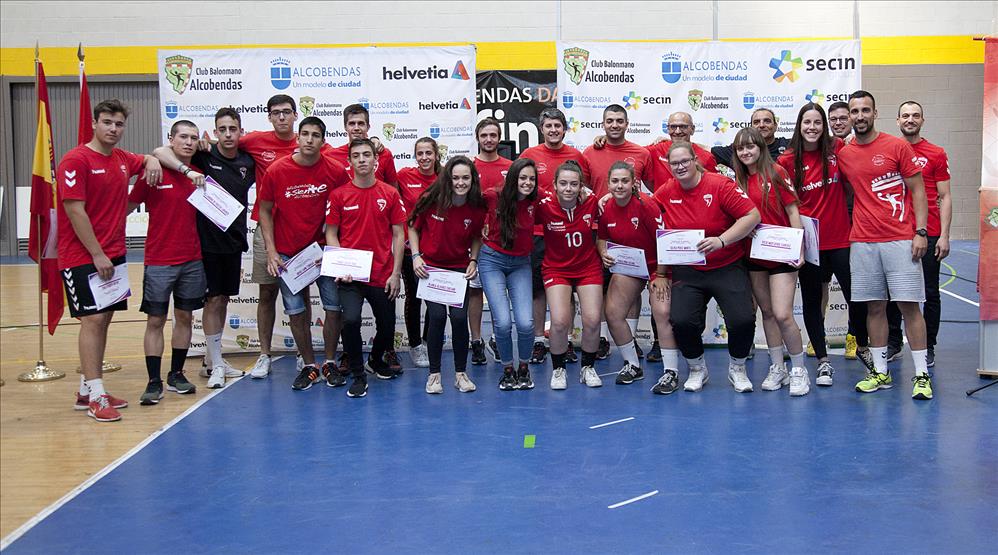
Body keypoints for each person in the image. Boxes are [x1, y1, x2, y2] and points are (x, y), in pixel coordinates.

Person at [57, 98, 162, 422]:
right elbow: (75, 211)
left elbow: (146, 157)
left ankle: (87, 389)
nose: (113, 129)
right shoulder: (75, 161)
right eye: (107, 123)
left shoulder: (120, 159)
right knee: (91, 322)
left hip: (113, 254)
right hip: (82, 256)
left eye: (118, 124)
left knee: (103, 321)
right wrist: (97, 253)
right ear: (94, 123)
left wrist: (152, 161)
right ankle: (96, 396)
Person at [837, 90, 933, 400]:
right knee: (874, 308)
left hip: (901, 239)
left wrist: (921, 232)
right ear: (849, 116)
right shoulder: (845, 154)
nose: (860, 116)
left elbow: (918, 190)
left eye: (866, 110)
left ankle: (921, 375)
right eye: (855, 111)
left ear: (875, 113)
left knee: (909, 308)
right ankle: (880, 372)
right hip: (863, 242)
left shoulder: (897, 146)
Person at [153, 107, 256, 386]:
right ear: (215, 132)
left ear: (240, 131)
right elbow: (160, 152)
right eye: (221, 129)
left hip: (233, 242)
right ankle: (216, 363)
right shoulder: (204, 155)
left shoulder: (248, 161)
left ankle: (212, 362)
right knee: (212, 301)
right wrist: (187, 167)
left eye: (232, 129)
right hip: (206, 244)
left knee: (222, 300)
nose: (227, 134)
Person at [654, 142, 761, 392]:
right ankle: (696, 368)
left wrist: (721, 240)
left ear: (695, 160)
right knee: (681, 321)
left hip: (727, 264)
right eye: (674, 163)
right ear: (669, 166)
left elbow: (752, 216)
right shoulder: (666, 191)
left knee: (742, 319)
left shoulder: (720, 185)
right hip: (688, 270)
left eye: (685, 161)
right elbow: (646, 212)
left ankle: (737, 367)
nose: (680, 167)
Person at [778, 103, 871, 386]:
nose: (812, 127)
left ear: (824, 125)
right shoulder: (786, 161)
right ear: (799, 124)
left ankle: (861, 344)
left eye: (818, 122)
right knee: (812, 302)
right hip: (810, 245)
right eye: (807, 122)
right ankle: (822, 360)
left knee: (857, 296)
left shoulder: (838, 150)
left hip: (841, 239)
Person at [257, 117, 349, 391]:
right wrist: (272, 251)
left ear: (323, 140)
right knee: (296, 313)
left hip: (323, 252)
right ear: (298, 137)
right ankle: (310, 365)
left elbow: (344, 207)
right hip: (288, 255)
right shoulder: (277, 170)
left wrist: (337, 249)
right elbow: (264, 210)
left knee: (333, 309)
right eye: (305, 134)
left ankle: (330, 361)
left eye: (316, 135)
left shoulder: (335, 170)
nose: (310, 139)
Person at [128, 120, 206, 400]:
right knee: (156, 320)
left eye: (194, 138)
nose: (188, 142)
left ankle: (176, 374)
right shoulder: (154, 172)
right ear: (171, 139)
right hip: (159, 260)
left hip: (192, 260)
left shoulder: (199, 175)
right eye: (183, 137)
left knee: (184, 317)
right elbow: (126, 207)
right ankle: (153, 381)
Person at [731, 127, 809, 396]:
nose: (746, 152)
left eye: (750, 146)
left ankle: (799, 369)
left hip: (781, 252)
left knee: (783, 313)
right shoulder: (737, 181)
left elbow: (792, 209)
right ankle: (778, 368)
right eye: (741, 148)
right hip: (753, 254)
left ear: (761, 148)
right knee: (767, 312)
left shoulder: (776, 172)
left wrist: (799, 247)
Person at [326, 138, 407, 398]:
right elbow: (331, 233)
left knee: (386, 325)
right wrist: (339, 264)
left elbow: (398, 235)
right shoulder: (339, 195)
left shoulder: (390, 193)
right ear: (349, 162)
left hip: (382, 273)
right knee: (350, 320)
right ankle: (359, 375)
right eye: (356, 156)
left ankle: (375, 360)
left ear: (375, 160)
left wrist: (396, 274)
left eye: (366, 155)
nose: (362, 159)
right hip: (350, 275)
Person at [239, 95, 310, 379]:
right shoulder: (255, 141)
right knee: (267, 292)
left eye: (286, 112)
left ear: (295, 115)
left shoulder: (308, 141)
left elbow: (345, 154)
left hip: (299, 231)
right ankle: (264, 354)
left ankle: (304, 356)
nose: (281, 117)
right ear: (269, 117)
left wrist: (375, 143)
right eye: (276, 113)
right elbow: (223, 144)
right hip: (266, 229)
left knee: (301, 294)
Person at [596, 162, 681, 393]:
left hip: (658, 267)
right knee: (613, 313)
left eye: (625, 180)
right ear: (609, 183)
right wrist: (603, 252)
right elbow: (602, 236)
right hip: (629, 266)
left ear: (634, 183)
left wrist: (662, 274)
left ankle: (671, 372)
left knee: (662, 313)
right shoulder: (606, 208)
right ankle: (632, 365)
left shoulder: (647, 205)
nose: (620, 185)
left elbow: (664, 239)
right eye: (615, 181)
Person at [520, 108, 593, 367]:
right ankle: (540, 340)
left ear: (564, 129)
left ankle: (566, 341)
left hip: (570, 234)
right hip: (539, 233)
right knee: (538, 291)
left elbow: (585, 189)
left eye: (557, 126)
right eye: (548, 125)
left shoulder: (576, 156)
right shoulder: (530, 155)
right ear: (542, 129)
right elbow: (524, 187)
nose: (553, 130)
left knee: (570, 290)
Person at [407, 156, 486, 394]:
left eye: (465, 178)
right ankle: (434, 375)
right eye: (455, 178)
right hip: (431, 269)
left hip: (458, 269)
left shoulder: (477, 206)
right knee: (437, 317)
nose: (460, 183)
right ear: (448, 179)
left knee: (460, 319)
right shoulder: (431, 199)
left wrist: (473, 259)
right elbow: (412, 226)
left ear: (472, 180)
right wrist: (416, 256)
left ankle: (460, 374)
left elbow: (476, 236)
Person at [584, 104, 655, 361]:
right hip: (598, 229)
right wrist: (599, 199)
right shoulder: (590, 151)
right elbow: (580, 189)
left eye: (619, 121)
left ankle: (632, 338)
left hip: (632, 230)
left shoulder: (642, 153)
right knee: (602, 286)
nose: (614, 125)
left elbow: (655, 189)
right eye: (610, 121)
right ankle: (603, 339)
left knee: (631, 285)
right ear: (603, 124)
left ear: (627, 124)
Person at [885, 101, 951, 368]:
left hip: (929, 232)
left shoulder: (936, 153)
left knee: (930, 293)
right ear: (897, 120)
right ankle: (892, 343)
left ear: (922, 120)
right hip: (896, 232)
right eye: (905, 116)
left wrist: (944, 235)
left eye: (915, 116)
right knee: (891, 292)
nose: (910, 120)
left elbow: (945, 196)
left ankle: (929, 346)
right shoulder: (889, 149)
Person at [535, 161, 604, 389]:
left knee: (593, 320)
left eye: (574, 184)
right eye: (563, 183)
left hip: (587, 267)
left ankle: (588, 367)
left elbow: (610, 204)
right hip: (556, 268)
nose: (568, 188)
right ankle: (558, 369)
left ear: (580, 187)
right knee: (560, 321)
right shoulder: (543, 205)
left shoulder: (591, 202)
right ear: (554, 185)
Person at [479, 158, 540, 390]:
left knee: (525, 323)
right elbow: (467, 205)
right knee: (503, 323)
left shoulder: (536, 199)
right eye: (522, 178)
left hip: (521, 264)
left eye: (532, 179)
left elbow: (562, 195)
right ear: (513, 177)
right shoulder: (493, 196)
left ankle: (523, 369)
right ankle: (507, 370)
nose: (527, 183)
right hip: (491, 260)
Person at [470, 118, 513, 364]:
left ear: (499, 138)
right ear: (478, 137)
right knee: (474, 292)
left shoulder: (511, 167)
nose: (489, 139)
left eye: (493, 135)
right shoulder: (468, 166)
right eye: (484, 135)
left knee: (501, 292)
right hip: (475, 239)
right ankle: (476, 341)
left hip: (503, 239)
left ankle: (499, 339)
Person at [396, 137, 441, 369]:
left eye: (428, 153)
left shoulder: (443, 179)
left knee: (434, 299)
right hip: (408, 250)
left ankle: (427, 341)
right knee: (414, 297)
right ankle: (414, 345)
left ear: (436, 155)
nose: (424, 157)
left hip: (435, 248)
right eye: (420, 153)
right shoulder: (404, 176)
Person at [712, 108, 791, 169]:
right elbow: (707, 150)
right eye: (756, 122)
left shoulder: (790, 145)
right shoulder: (740, 150)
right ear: (751, 127)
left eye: (767, 121)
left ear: (775, 126)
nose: (761, 125)